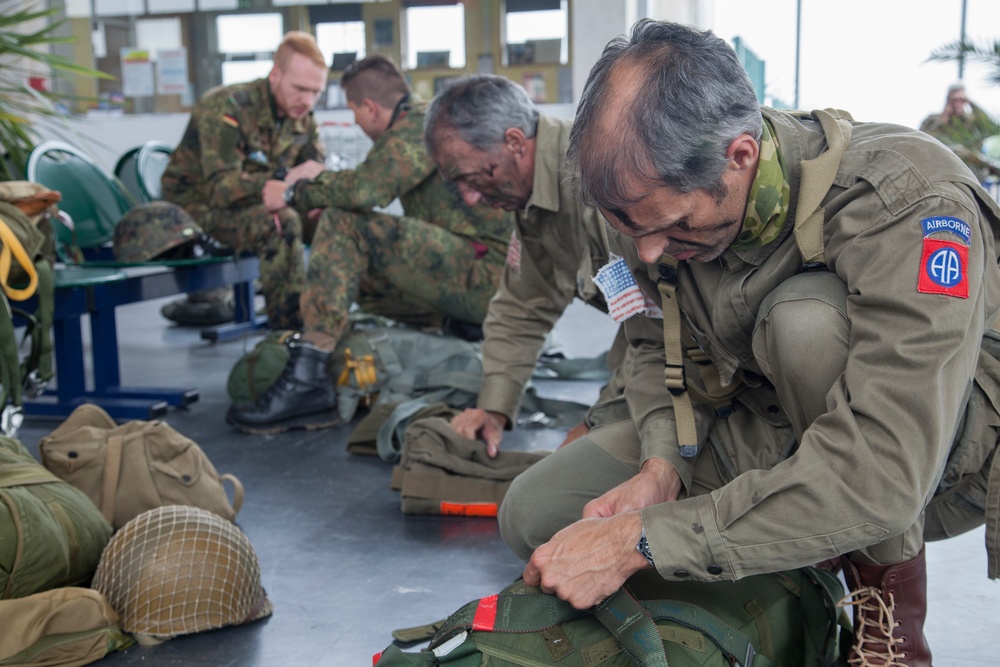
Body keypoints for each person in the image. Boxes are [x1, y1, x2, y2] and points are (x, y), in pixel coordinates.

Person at [500, 19, 1000, 667]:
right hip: (754, 415)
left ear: (738, 157)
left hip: (922, 450)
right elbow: (651, 342)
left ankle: (888, 618)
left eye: (673, 227)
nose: (648, 251)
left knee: (805, 323)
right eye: (632, 228)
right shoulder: (651, 199)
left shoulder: (906, 201)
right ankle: (794, 571)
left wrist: (645, 541)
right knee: (537, 514)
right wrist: (662, 466)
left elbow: (883, 471)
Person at [225, 55, 512, 435]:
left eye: (354, 112)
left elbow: (367, 189)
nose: (356, 122)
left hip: (488, 278)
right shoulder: (426, 123)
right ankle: (454, 328)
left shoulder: (421, 126)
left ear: (370, 107)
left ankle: (308, 380)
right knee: (350, 271)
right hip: (481, 277)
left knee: (344, 224)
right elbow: (367, 185)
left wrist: (295, 190)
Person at [424, 73, 628, 456]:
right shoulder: (532, 201)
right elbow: (521, 307)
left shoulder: (600, 180)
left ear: (515, 143)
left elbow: (661, 327)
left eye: (474, 178)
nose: (470, 198)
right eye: (458, 184)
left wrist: (599, 422)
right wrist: (493, 407)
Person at [161, 31, 328, 330]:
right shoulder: (227, 108)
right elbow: (220, 189)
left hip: (254, 205)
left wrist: (318, 197)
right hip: (196, 210)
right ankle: (289, 334)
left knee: (333, 217)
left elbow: (313, 170)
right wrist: (284, 180)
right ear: (275, 75)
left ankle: (328, 317)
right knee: (283, 221)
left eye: (317, 92)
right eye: (301, 89)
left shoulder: (302, 118)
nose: (308, 101)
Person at [920, 82, 1000, 182]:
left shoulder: (970, 121)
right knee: (958, 150)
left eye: (961, 100)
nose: (957, 104)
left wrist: (971, 103)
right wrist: (943, 119)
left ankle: (991, 167)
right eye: (954, 100)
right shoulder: (933, 119)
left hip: (971, 170)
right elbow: (922, 138)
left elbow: (987, 126)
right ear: (947, 100)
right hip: (942, 166)